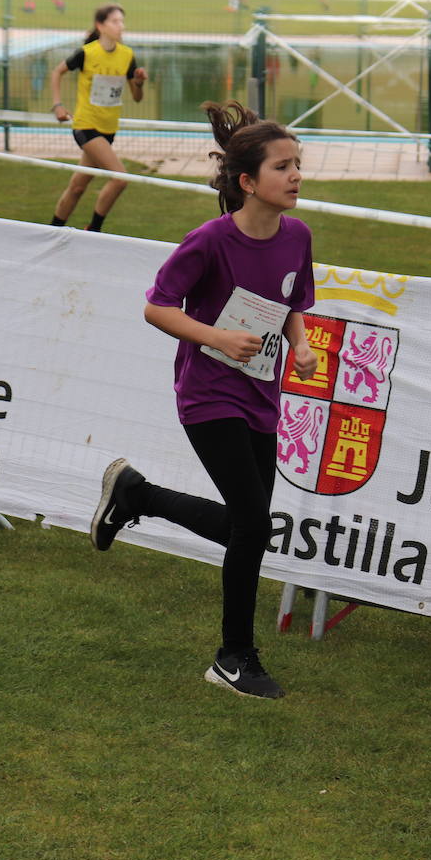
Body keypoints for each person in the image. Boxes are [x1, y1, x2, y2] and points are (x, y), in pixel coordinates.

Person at [90, 100, 318, 701]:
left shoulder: (297, 237)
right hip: (208, 394)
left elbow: (292, 305)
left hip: (262, 395)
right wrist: (216, 337)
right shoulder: (210, 241)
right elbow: (156, 306)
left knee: (249, 528)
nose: (296, 175)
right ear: (248, 182)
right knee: (253, 525)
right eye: (283, 167)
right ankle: (233, 657)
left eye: (297, 164)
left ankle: (137, 495)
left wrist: (300, 346)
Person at [47, 4, 147, 232]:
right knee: (120, 178)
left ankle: (53, 229)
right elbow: (57, 72)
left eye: (122, 21)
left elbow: (137, 97)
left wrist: (139, 83)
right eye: (115, 21)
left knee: (77, 187)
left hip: (108, 129)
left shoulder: (127, 55)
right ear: (100, 26)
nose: (121, 26)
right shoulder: (86, 53)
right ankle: (94, 230)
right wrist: (57, 105)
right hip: (86, 126)